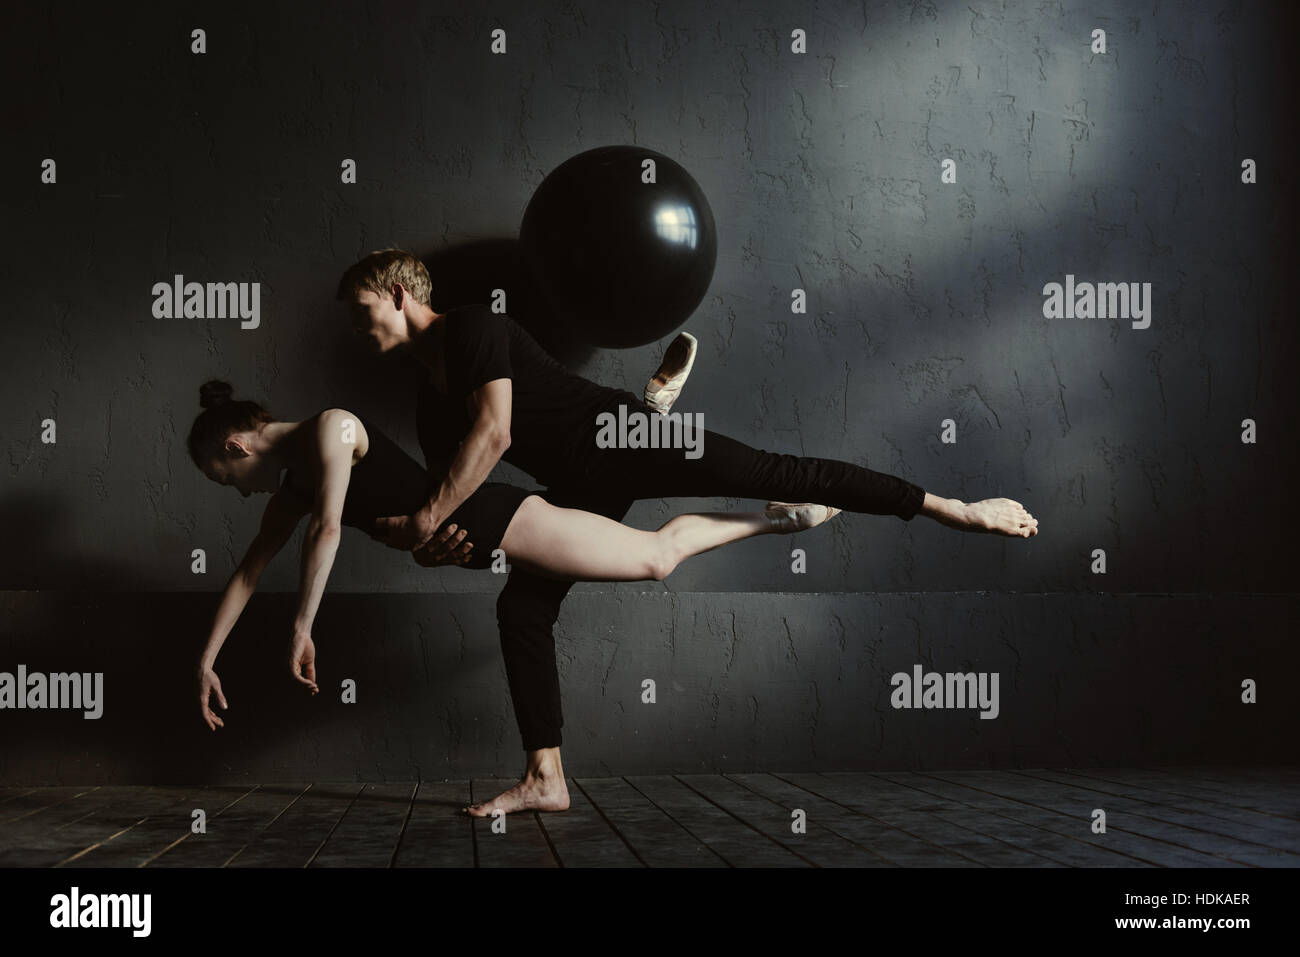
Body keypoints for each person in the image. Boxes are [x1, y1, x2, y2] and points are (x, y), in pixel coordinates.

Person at [337, 248, 1039, 817]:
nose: (358, 326)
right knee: (522, 605)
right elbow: (452, 496)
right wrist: (440, 543)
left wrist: (961, 510)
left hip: (620, 438)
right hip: (579, 485)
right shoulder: (429, 403)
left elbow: (494, 433)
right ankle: (545, 778)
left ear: (400, 291)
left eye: (363, 308)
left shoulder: (469, 328)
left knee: (775, 470)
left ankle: (950, 504)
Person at [187, 380, 842, 733]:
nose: (239, 491)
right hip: (475, 546)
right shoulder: (290, 487)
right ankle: (643, 413)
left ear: (238, 446)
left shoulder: (333, 427)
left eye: (226, 479)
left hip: (494, 518)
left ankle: (775, 517)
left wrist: (303, 625)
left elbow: (327, 527)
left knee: (656, 559)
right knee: (616, 551)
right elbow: (249, 569)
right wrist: (207, 658)